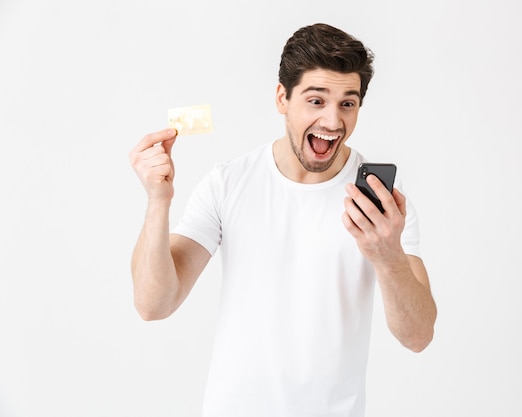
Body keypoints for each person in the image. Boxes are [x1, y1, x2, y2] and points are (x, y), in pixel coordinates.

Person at [129, 22, 437, 417]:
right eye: (315, 100)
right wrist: (158, 201)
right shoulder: (228, 183)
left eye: (348, 102)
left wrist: (388, 254)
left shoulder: (382, 207)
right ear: (282, 98)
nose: (332, 121)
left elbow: (418, 336)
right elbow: (153, 304)